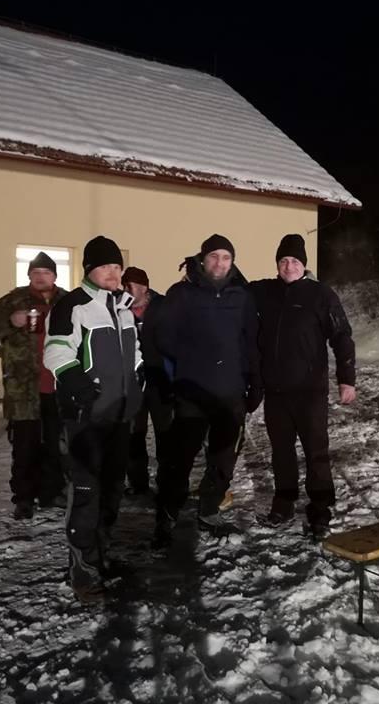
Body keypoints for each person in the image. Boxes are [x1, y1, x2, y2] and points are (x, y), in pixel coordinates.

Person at [44, 236, 142, 601]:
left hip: (119, 415)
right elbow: (56, 352)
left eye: (116, 266)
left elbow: (135, 353)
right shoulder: (73, 305)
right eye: (105, 267)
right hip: (86, 418)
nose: (113, 273)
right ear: (89, 270)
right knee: (86, 492)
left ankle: (101, 553)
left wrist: (139, 381)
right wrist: (83, 392)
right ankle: (82, 569)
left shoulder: (123, 307)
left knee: (112, 488)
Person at [153, 234, 262, 546]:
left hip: (230, 393)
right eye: (214, 256)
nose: (219, 263)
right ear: (202, 259)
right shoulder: (181, 294)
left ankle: (210, 510)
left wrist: (255, 383)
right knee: (179, 460)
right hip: (192, 392)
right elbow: (163, 338)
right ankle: (167, 515)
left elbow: (251, 342)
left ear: (232, 262)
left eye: (226, 257)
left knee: (223, 459)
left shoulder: (242, 296)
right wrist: (180, 372)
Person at [249, 234, 356, 539]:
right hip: (276, 392)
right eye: (283, 260)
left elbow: (342, 336)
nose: (288, 266)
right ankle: (284, 502)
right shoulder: (265, 292)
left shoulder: (321, 294)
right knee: (281, 451)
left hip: (310, 391)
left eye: (294, 261)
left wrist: (347, 378)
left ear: (304, 264)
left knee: (315, 451)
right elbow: (232, 283)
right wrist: (199, 267)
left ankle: (320, 508)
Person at [0, 252, 67, 520]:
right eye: (35, 273)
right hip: (23, 388)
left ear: (54, 276)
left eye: (46, 273)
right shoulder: (13, 300)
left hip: (59, 384)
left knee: (55, 444)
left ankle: (52, 492)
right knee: (25, 446)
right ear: (29, 276)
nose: (41, 278)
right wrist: (9, 322)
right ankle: (24, 498)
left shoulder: (66, 301)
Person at [120, 266, 172, 496]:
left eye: (130, 286)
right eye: (124, 286)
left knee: (165, 433)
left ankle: (167, 481)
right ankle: (138, 483)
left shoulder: (163, 306)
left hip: (160, 380)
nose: (126, 290)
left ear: (144, 287)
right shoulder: (120, 309)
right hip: (132, 381)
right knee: (134, 434)